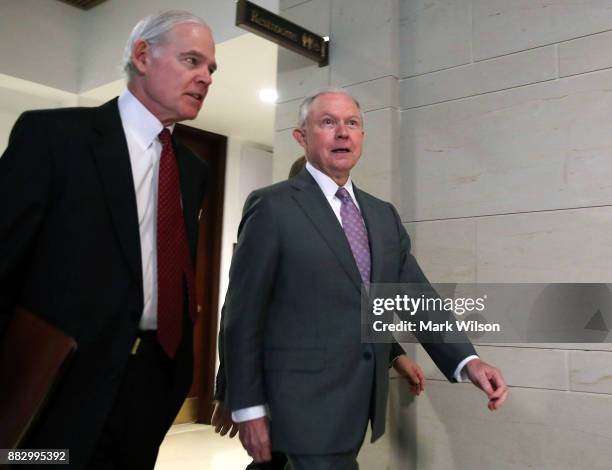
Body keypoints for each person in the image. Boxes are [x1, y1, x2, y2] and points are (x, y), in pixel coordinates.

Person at [223, 88, 508, 469]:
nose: (342, 132)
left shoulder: (382, 216)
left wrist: (468, 361)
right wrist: (246, 406)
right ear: (301, 136)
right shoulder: (272, 207)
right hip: (300, 403)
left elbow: (415, 297)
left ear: (361, 137)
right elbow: (242, 315)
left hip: (358, 404)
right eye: (328, 122)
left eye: (352, 123)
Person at [0, 10, 216, 469]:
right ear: (142, 55)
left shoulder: (194, 169)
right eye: (192, 61)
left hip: (151, 384)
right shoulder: (54, 138)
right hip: (59, 386)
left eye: (210, 69)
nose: (205, 77)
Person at [211, 154, 426, 469]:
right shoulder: (273, 222)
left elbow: (357, 309)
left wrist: (395, 354)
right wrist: (229, 392)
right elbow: (237, 316)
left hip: (332, 389)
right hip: (277, 379)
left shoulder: (350, 237)